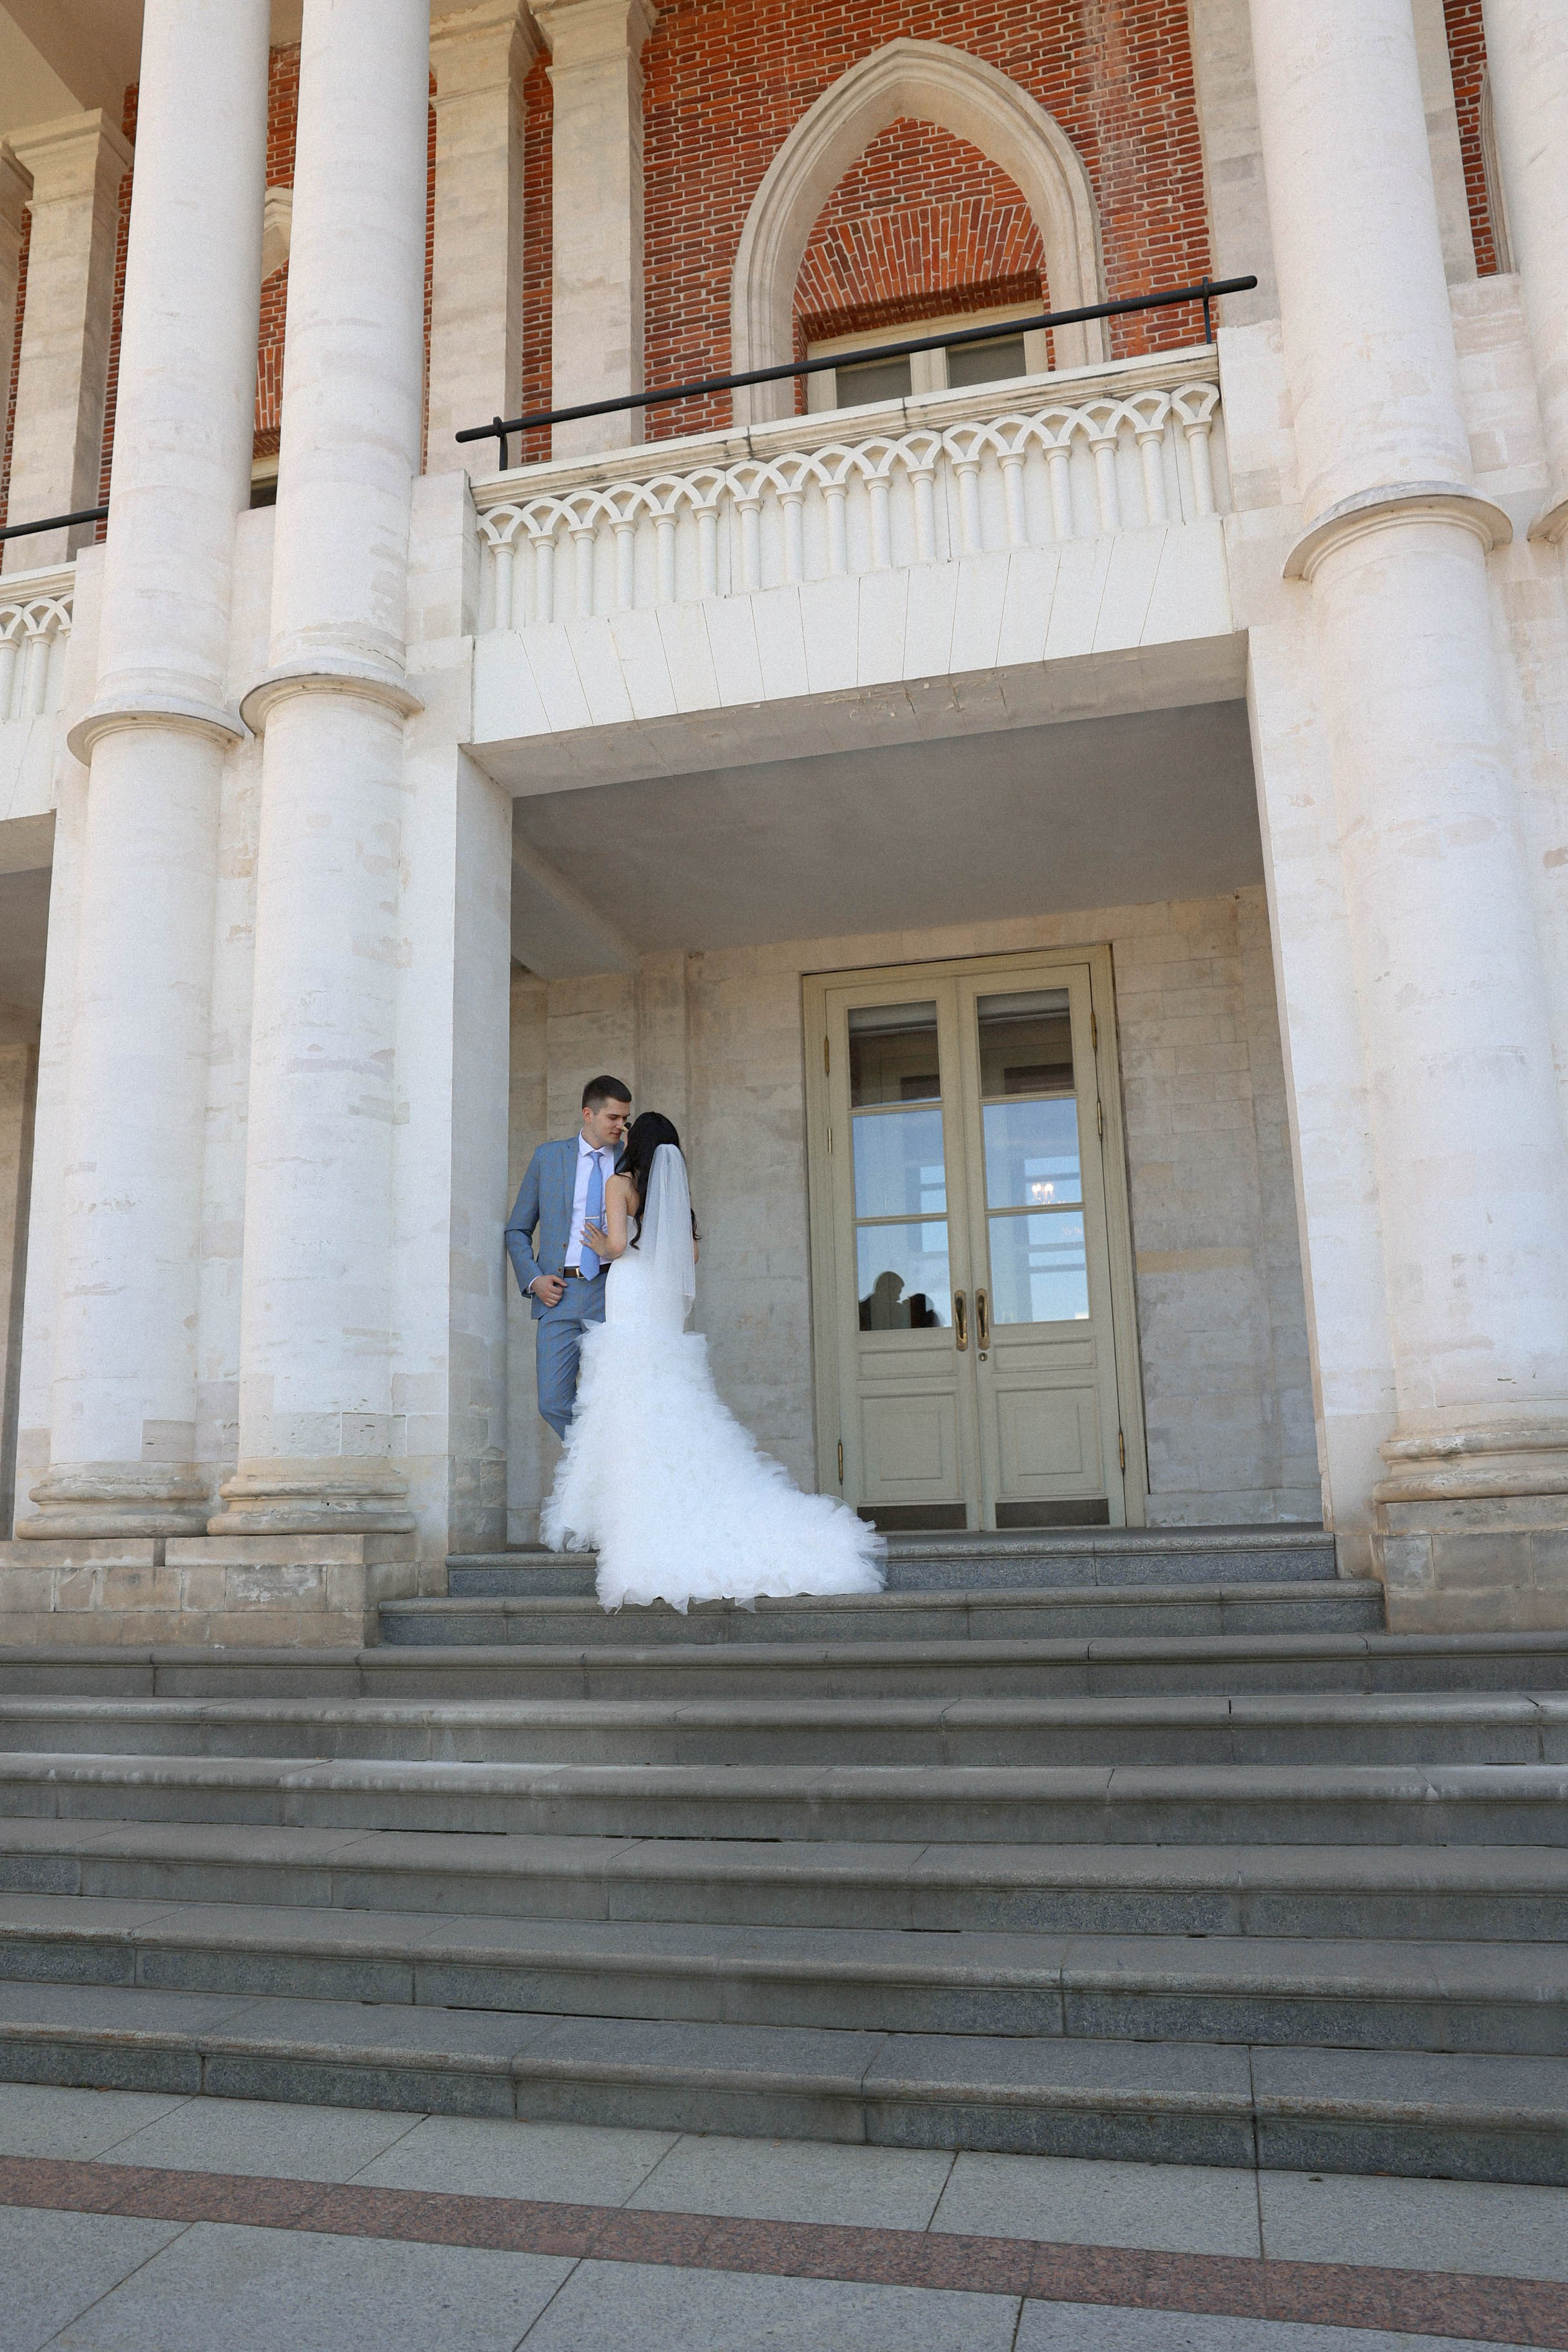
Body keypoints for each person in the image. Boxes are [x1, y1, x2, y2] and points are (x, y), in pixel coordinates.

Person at [543, 1111, 886, 1612]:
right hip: (659, 1304)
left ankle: (636, 1512)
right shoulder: (669, 1191)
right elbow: (692, 1257)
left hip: (630, 1290)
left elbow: (617, 1245)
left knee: (627, 1398)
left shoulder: (620, 1184)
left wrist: (599, 1243)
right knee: (665, 1396)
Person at [505, 1075, 631, 1442]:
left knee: (612, 1400)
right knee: (553, 1401)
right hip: (558, 1293)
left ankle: (606, 1478)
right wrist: (534, 1279)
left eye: (625, 1118)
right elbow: (517, 1229)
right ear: (588, 1114)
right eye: (612, 1118)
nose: (620, 1126)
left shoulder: (631, 1161)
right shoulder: (549, 1157)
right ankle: (589, 1467)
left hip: (613, 1292)